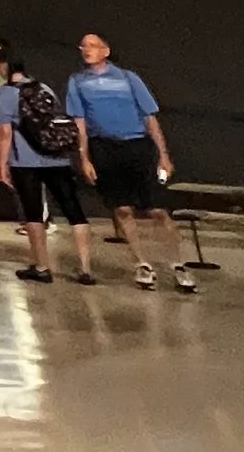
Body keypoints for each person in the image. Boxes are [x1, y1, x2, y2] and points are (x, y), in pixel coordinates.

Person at [67, 32, 191, 292]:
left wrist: (163, 156)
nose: (87, 50)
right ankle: (141, 263)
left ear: (106, 50)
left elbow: (150, 117)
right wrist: (85, 157)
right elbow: (79, 123)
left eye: (93, 45)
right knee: (122, 209)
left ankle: (178, 264)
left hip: (137, 146)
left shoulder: (127, 78)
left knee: (157, 209)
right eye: (83, 46)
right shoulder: (77, 82)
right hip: (105, 147)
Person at [0, 57, 97, 286]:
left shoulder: (4, 94)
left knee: (33, 214)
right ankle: (86, 269)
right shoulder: (44, 88)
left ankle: (42, 267)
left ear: (4, 68)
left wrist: (2, 165)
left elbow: (6, 133)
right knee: (74, 211)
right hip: (57, 159)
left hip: (25, 163)